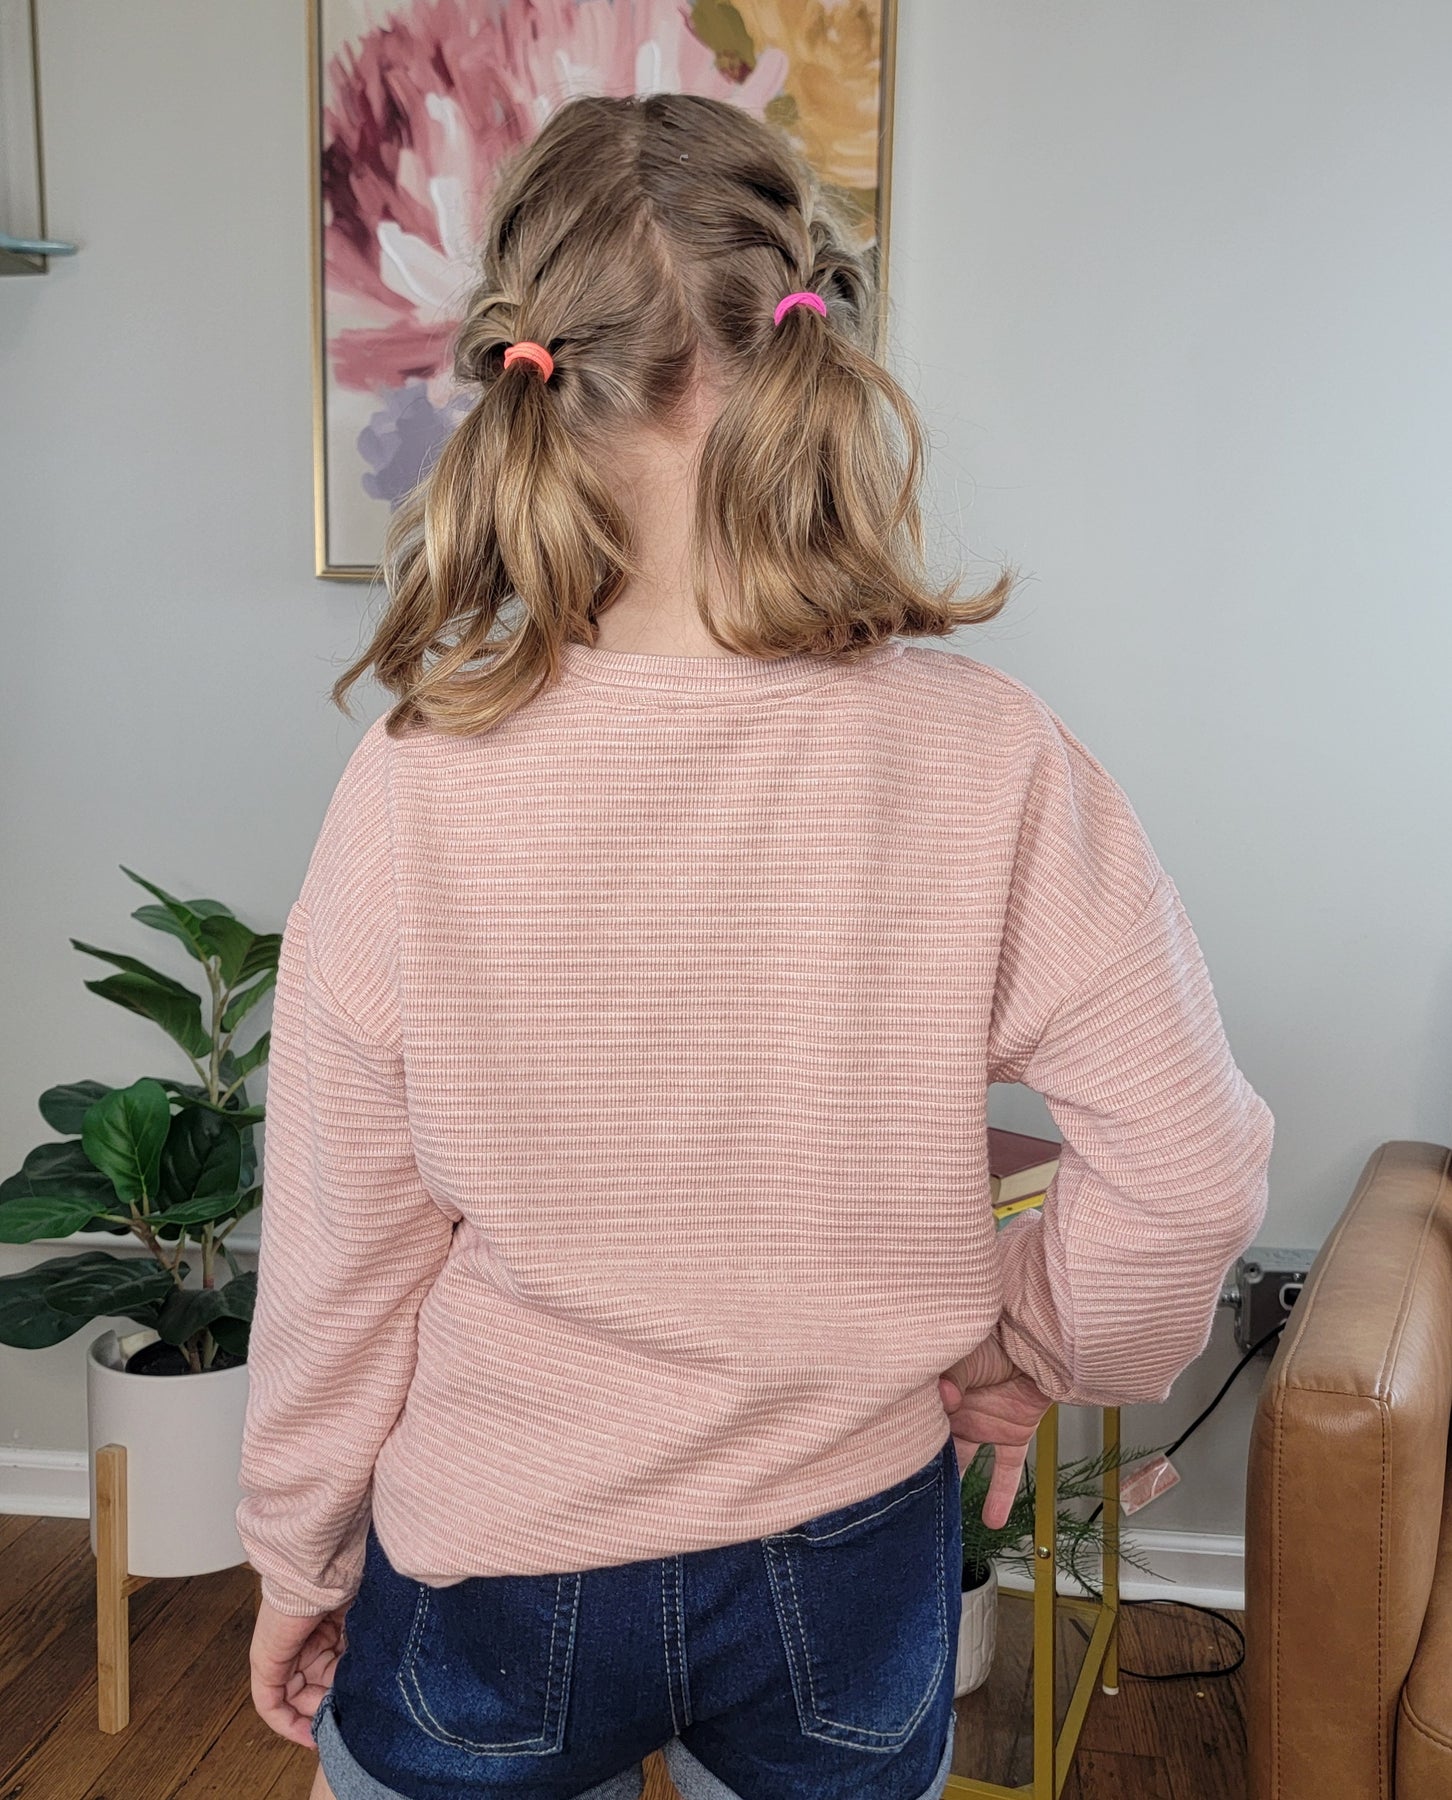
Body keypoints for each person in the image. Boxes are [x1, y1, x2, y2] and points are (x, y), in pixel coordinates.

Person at [237, 91, 1274, 1800]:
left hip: (504, 1549)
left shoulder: (419, 777)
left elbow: (349, 1248)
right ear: (805, 342)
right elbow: (1192, 1167)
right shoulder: (988, 754)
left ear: (537, 379)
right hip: (846, 1549)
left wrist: (298, 1547)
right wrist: (1034, 1350)